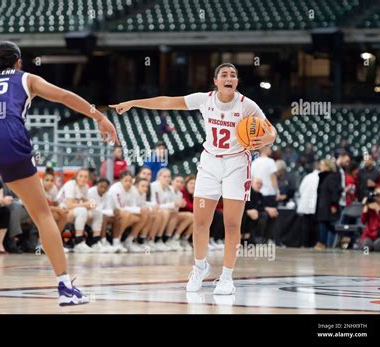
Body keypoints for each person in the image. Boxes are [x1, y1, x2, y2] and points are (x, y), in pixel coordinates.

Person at [0, 41, 119, 310]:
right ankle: (65, 287)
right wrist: (99, 116)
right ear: (18, 62)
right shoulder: (27, 78)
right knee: (42, 215)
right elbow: (64, 96)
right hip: (9, 136)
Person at [110, 62, 276, 295]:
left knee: (231, 224)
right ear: (216, 81)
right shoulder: (204, 100)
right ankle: (200, 267)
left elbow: (271, 131)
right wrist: (133, 103)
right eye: (224, 75)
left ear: (236, 82)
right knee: (200, 223)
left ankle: (227, 277)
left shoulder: (247, 105)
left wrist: (265, 140)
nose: (229, 78)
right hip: (209, 163)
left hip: (237, 164)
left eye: (234, 75)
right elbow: (167, 101)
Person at [58, 169, 100, 253]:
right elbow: (69, 205)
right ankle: (78, 242)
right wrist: (86, 204)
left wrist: (93, 205)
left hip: (75, 212)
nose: (83, 179)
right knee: (82, 210)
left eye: (85, 177)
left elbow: (88, 203)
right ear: (76, 177)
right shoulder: (70, 185)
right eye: (81, 176)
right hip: (62, 211)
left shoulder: (85, 187)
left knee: (98, 213)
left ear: (88, 178)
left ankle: (96, 242)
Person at [108, 170, 149, 253]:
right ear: (121, 181)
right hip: (110, 212)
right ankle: (117, 240)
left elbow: (133, 206)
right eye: (126, 181)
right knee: (127, 215)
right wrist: (138, 210)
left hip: (125, 212)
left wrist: (141, 210)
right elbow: (120, 207)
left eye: (130, 181)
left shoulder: (133, 189)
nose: (128, 183)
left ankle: (129, 241)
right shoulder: (115, 189)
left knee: (145, 216)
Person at [314, 159, 342, 250]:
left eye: (322, 165)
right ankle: (325, 242)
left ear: (327, 166)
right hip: (322, 204)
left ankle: (322, 243)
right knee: (326, 223)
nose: (320, 167)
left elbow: (334, 191)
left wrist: (334, 204)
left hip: (328, 204)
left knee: (324, 222)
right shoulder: (322, 177)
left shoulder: (331, 177)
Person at [296, 162, 320, 247]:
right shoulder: (320, 177)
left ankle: (305, 243)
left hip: (306, 203)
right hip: (314, 204)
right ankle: (312, 243)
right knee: (314, 225)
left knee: (305, 225)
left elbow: (301, 189)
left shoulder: (307, 176)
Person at [359, 186, 380, 252]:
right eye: (378, 194)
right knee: (366, 248)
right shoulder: (370, 206)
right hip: (370, 234)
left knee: (377, 247)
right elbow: (363, 221)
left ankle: (376, 261)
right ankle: (366, 260)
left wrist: (378, 210)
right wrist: (365, 208)